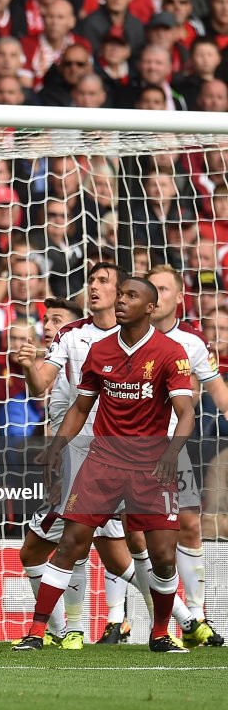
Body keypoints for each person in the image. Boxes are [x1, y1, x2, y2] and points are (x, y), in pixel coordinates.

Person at [13, 278, 195, 654]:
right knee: (70, 544)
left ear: (150, 307)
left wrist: (171, 452)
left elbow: (186, 413)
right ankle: (36, 631)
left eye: (132, 296)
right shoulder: (99, 350)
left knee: (161, 557)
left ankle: (160, 632)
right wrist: (57, 447)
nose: (123, 301)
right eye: (122, 294)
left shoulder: (170, 352)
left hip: (152, 466)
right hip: (103, 462)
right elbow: (81, 407)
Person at [145, 265, 226, 645]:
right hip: (122, 449)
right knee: (122, 540)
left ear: (179, 297)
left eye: (163, 289)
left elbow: (217, 392)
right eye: (152, 288)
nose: (156, 296)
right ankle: (111, 619)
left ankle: (196, 616)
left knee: (189, 526)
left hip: (171, 451)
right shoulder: (123, 332)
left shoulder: (192, 341)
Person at [15, 296, 85, 647]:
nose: (47, 327)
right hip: (70, 466)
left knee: (123, 551)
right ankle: (67, 630)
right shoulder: (55, 367)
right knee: (118, 554)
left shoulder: (86, 358)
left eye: (56, 320)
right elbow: (38, 385)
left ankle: (68, 629)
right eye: (46, 320)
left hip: (90, 467)